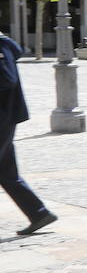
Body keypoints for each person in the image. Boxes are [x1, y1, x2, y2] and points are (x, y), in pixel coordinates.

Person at [1, 28, 57, 235]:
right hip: (5, 118)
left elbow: (7, 79)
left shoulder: (1, 46)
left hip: (2, 118)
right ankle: (38, 213)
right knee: (6, 173)